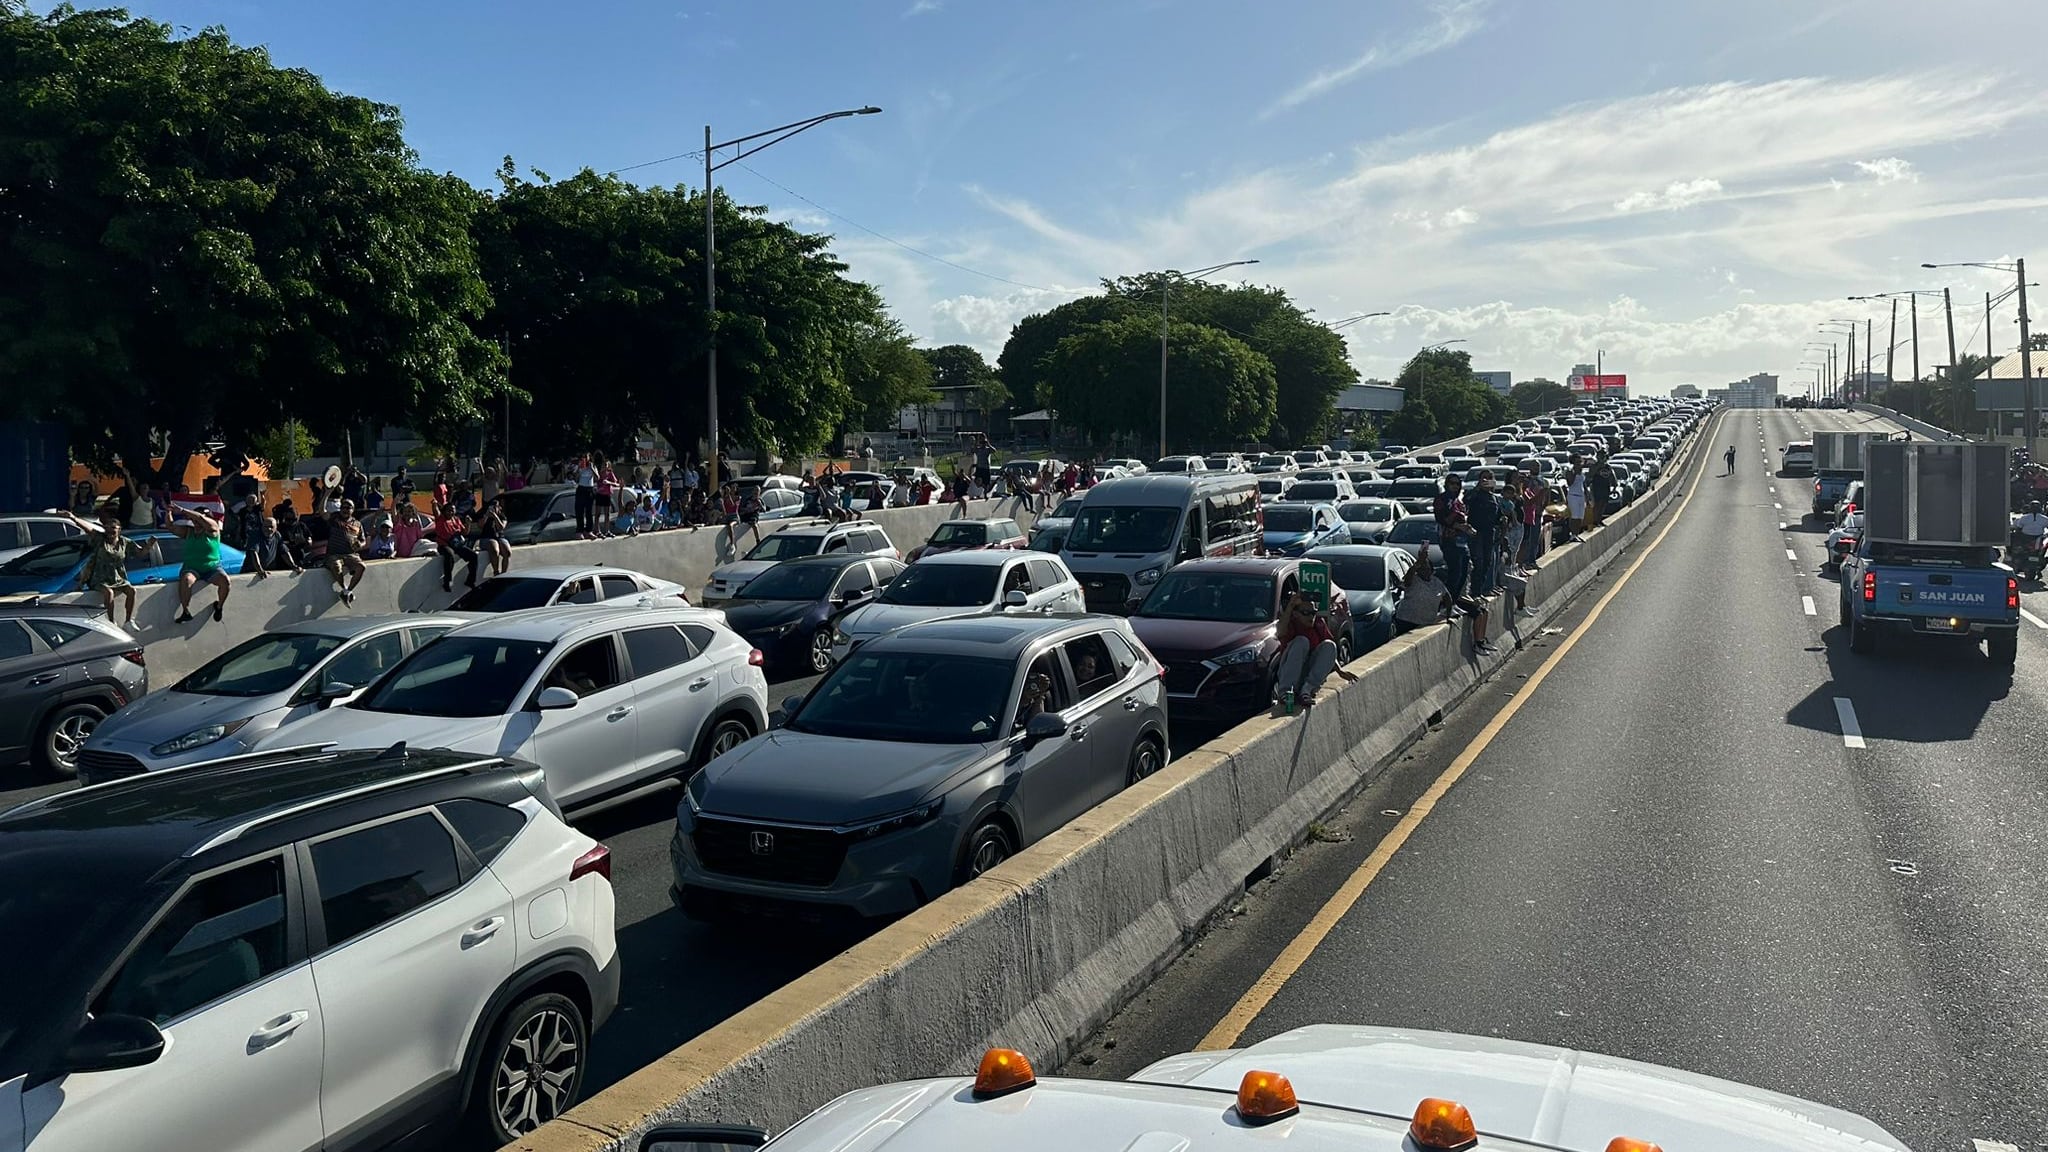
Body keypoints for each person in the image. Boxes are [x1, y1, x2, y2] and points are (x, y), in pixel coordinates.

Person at [63, 509, 153, 626]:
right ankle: (111, 621)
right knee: (109, 593)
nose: (110, 531)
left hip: (118, 578)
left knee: (131, 591)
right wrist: (73, 518)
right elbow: (87, 528)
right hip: (100, 578)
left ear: (119, 530)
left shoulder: (125, 542)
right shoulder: (100, 539)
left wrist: (149, 545)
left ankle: (128, 620)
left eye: (113, 528)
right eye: (108, 528)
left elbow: (140, 553)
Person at [1274, 589, 1360, 709]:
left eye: (1313, 613)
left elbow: (1328, 652)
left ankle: (1307, 691)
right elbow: (1280, 632)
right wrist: (1291, 606)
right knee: (1301, 641)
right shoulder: (1290, 623)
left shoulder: (1318, 624)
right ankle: (1285, 692)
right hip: (1290, 672)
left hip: (1307, 673)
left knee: (1330, 644)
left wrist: (1340, 671)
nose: (1311, 617)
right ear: (1296, 613)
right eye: (1305, 612)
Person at [167, 505, 230, 624]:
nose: (197, 523)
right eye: (194, 521)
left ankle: (219, 606)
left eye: (198, 521)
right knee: (186, 580)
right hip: (192, 567)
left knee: (225, 581)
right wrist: (168, 512)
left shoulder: (213, 529)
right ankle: (185, 611)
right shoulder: (189, 531)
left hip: (211, 567)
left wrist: (183, 510)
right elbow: (171, 527)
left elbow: (202, 519)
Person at [1432, 474, 1474, 596]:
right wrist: (1458, 525)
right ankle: (1448, 603)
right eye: (1452, 483)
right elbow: (1441, 519)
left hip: (1463, 540)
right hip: (1448, 540)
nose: (1455, 486)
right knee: (1454, 573)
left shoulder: (1459, 500)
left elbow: (1464, 518)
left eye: (1457, 484)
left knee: (1464, 572)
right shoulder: (1441, 499)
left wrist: (1468, 528)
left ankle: (1455, 600)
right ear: (1447, 484)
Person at [1467, 473, 1503, 596]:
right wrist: (1477, 487)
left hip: (1489, 533)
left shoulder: (1494, 498)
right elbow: (1466, 500)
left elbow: (1498, 516)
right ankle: (1474, 591)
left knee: (1487, 562)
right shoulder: (1475, 495)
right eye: (1484, 478)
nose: (1487, 481)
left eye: (1490, 478)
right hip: (1477, 533)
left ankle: (1479, 590)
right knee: (1478, 562)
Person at [324, 500, 367, 606]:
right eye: (343, 507)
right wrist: (326, 494)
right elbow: (322, 511)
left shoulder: (357, 524)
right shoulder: (335, 519)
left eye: (349, 508)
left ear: (353, 510)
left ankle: (347, 592)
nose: (345, 510)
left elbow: (363, 540)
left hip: (351, 554)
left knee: (361, 567)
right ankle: (344, 588)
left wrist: (360, 545)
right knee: (336, 565)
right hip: (334, 554)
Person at [433, 503, 480, 591]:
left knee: (473, 556)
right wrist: (434, 504)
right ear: (444, 511)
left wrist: (468, 523)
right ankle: (448, 580)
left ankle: (470, 580)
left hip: (457, 544)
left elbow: (465, 533)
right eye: (449, 510)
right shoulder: (440, 519)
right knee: (449, 555)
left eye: (453, 510)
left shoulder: (456, 520)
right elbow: (436, 511)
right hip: (444, 544)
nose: (451, 512)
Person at [478, 497, 512, 575]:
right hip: (487, 537)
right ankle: (496, 571)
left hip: (499, 536)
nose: (494, 509)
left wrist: (495, 517)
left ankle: (504, 573)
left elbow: (501, 527)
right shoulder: (484, 515)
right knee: (494, 549)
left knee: (507, 552)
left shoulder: (502, 516)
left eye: (496, 507)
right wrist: (486, 516)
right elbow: (480, 525)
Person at [572, 454, 598, 539]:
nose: (585, 459)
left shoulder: (593, 466)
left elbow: (597, 478)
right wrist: (579, 469)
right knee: (580, 511)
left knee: (589, 512)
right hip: (581, 489)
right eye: (583, 457)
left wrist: (592, 468)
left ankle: (589, 530)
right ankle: (579, 531)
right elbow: (576, 479)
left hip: (589, 489)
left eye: (586, 457)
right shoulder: (579, 467)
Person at [595, 457, 621, 537]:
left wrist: (608, 482)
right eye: (603, 465)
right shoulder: (598, 473)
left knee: (607, 514)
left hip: (607, 495)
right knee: (598, 514)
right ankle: (597, 530)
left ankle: (607, 531)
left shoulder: (610, 473)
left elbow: (616, 483)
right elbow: (596, 482)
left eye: (606, 465)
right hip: (600, 495)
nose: (604, 466)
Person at [1564, 465, 1587, 544]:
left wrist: (1588, 495)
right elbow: (1570, 483)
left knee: (1580, 517)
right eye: (1577, 462)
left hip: (1581, 496)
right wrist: (1575, 473)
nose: (1579, 464)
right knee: (1574, 516)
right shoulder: (1570, 471)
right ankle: (1573, 534)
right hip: (1573, 496)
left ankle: (1576, 534)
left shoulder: (1582, 473)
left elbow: (1584, 484)